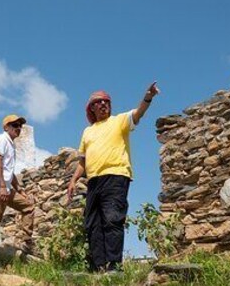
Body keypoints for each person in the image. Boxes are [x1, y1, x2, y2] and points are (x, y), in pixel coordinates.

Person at [67, 82, 161, 272]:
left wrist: (148, 97)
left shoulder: (119, 121)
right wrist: (73, 180)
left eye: (106, 101)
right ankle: (99, 267)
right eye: (99, 102)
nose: (103, 104)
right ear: (92, 108)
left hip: (116, 176)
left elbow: (138, 114)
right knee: (92, 223)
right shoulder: (87, 132)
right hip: (94, 180)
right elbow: (83, 161)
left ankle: (114, 266)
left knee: (112, 219)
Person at [0, 114, 36, 266]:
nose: (18, 128)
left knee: (28, 207)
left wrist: (20, 190)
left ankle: (26, 242)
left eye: (20, 126)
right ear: (6, 127)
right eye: (15, 125)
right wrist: (3, 187)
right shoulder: (1, 140)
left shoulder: (11, 144)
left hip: (6, 189)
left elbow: (9, 172)